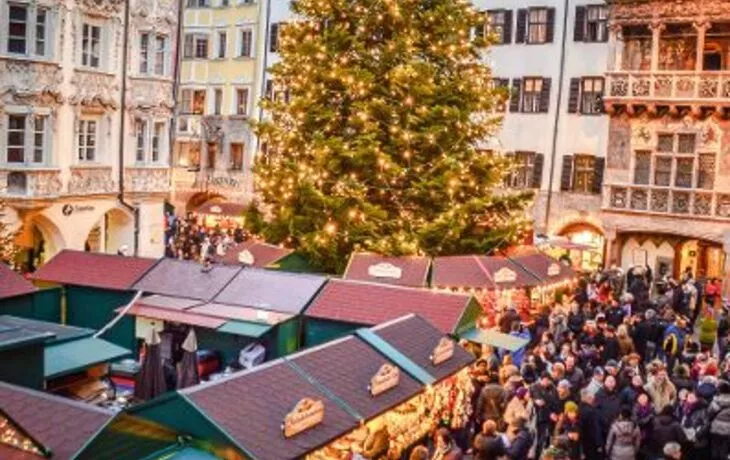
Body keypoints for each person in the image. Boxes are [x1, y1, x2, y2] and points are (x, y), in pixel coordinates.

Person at [578, 389, 603, 460]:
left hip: (583, 443)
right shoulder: (591, 412)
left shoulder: (579, 409)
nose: (593, 399)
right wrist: (599, 444)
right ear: (588, 398)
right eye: (592, 398)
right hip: (592, 444)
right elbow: (596, 429)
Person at [708, 382, 730, 460]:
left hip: (715, 428)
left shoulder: (715, 401)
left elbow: (709, 413)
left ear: (719, 391)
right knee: (725, 450)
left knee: (715, 448)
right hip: (728, 430)